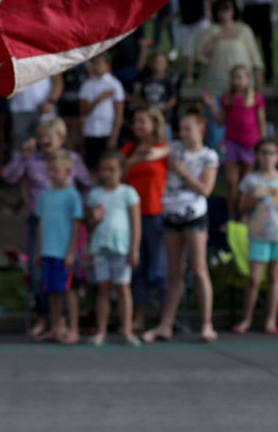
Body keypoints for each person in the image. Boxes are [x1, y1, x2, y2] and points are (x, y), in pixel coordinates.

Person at [7, 116, 91, 336]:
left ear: (61, 138)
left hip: (66, 224)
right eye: (41, 136)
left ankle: (66, 323)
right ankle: (46, 320)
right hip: (40, 220)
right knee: (39, 273)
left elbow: (88, 185)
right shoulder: (31, 159)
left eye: (49, 136)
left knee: (66, 275)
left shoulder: (72, 159)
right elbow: (9, 177)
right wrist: (23, 157)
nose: (44, 140)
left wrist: (82, 211)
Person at [144, 107, 219, 343]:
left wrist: (183, 174)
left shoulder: (209, 156)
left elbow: (205, 190)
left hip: (194, 215)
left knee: (198, 270)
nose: (183, 133)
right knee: (174, 272)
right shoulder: (174, 149)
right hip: (171, 214)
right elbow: (153, 152)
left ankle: (207, 324)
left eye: (188, 129)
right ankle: (165, 325)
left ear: (201, 130)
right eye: (181, 129)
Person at [232, 138, 278, 334]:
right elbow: (241, 207)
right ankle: (247, 319)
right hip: (258, 234)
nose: (267, 157)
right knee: (254, 279)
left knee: (274, 278)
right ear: (257, 156)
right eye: (263, 152)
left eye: (271, 153)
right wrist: (255, 196)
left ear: (277, 156)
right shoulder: (251, 180)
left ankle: (271, 320)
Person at [85, 149, 141, 347]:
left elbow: (136, 223)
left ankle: (127, 329)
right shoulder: (95, 194)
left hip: (122, 248)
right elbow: (89, 224)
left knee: (123, 288)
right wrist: (94, 218)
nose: (107, 173)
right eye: (104, 169)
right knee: (103, 289)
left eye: (112, 169)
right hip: (101, 247)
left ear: (121, 171)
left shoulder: (128, 193)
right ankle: (101, 331)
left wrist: (134, 249)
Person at [121, 108, 170, 329]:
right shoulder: (128, 150)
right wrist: (133, 160)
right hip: (131, 217)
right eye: (135, 121)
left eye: (142, 121)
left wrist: (159, 153)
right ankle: (138, 317)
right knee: (137, 268)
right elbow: (114, 173)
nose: (137, 125)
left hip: (156, 214)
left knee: (160, 269)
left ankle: (165, 317)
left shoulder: (163, 150)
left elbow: (177, 153)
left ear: (154, 124)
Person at [203, 64, 265, 222]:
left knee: (247, 181)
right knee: (231, 181)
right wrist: (211, 106)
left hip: (250, 143)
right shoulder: (227, 98)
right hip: (231, 142)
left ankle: (243, 214)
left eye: (240, 77)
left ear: (248, 79)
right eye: (234, 77)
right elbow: (219, 121)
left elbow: (261, 122)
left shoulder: (255, 97)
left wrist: (262, 145)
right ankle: (231, 215)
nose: (236, 81)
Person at [33, 150, 84, 344]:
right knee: (52, 291)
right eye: (50, 170)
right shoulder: (45, 195)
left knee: (69, 291)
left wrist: (71, 251)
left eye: (56, 170)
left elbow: (77, 224)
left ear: (67, 171)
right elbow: (40, 223)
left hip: (64, 252)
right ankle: (55, 328)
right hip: (48, 250)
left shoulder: (73, 195)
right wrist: (38, 250)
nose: (52, 174)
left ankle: (73, 329)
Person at [196, 0, 264, 110]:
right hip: (215, 88)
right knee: (216, 125)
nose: (223, 11)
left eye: (226, 7)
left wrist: (258, 84)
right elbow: (201, 55)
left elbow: (255, 58)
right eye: (219, 8)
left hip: (242, 90)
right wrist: (219, 37)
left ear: (234, 10)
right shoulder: (211, 31)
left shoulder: (244, 30)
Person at [78, 53, 125, 168]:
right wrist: (99, 99)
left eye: (99, 63)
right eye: (94, 63)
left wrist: (114, 137)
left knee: (109, 165)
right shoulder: (86, 85)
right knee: (92, 166)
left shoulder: (115, 84)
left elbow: (119, 114)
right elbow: (82, 110)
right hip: (91, 132)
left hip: (107, 132)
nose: (95, 66)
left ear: (108, 65)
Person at [134, 51, 178, 128]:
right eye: (155, 62)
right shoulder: (146, 81)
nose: (158, 65)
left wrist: (164, 108)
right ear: (150, 64)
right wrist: (147, 107)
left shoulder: (168, 81)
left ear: (165, 64)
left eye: (160, 62)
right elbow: (141, 97)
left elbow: (173, 98)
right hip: (149, 118)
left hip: (165, 118)